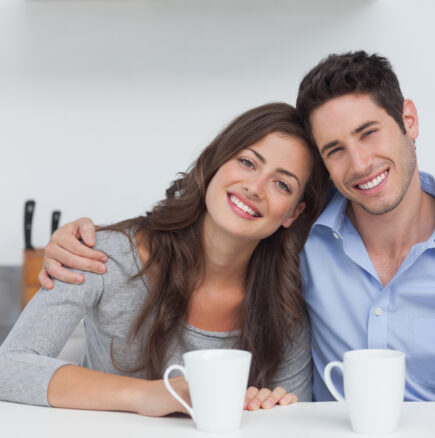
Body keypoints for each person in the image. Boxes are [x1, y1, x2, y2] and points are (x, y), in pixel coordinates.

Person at [39, 52, 435, 437]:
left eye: (369, 133)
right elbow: (212, 224)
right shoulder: (294, 234)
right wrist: (85, 243)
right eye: (334, 149)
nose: (358, 165)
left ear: (408, 120)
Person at [0, 102, 330, 416]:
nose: (256, 187)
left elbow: (290, 422)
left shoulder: (285, 307)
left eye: (282, 184)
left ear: (293, 213)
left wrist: (266, 406)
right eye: (247, 162)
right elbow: (9, 366)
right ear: (216, 161)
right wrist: (148, 395)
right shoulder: (102, 254)